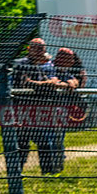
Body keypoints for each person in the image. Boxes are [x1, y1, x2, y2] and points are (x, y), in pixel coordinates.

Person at [12, 38, 63, 175]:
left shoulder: (39, 67)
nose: (41, 51)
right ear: (29, 49)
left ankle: (48, 173)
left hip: (37, 112)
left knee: (44, 142)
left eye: (43, 48)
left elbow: (51, 82)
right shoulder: (21, 64)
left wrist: (45, 84)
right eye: (37, 48)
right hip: (21, 111)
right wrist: (45, 84)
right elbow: (26, 83)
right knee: (22, 145)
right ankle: (15, 173)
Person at [51, 47, 82, 174]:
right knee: (51, 138)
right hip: (48, 109)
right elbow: (54, 82)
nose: (72, 62)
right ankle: (52, 164)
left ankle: (58, 164)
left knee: (60, 137)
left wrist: (72, 82)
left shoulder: (65, 71)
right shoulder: (51, 67)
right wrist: (67, 84)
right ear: (60, 58)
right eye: (69, 59)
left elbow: (75, 81)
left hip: (61, 110)